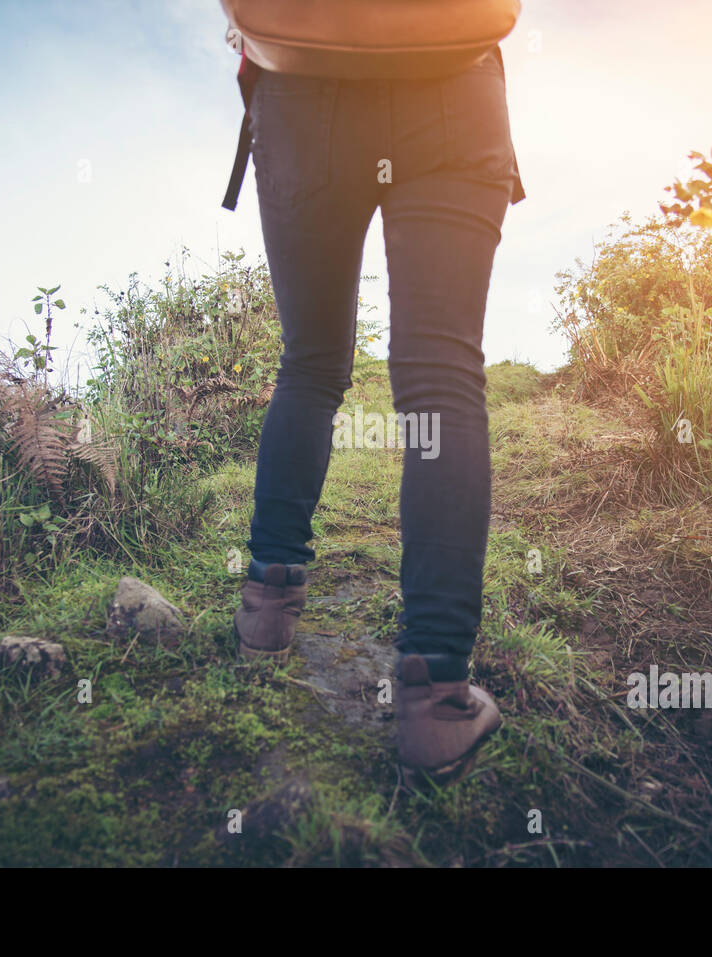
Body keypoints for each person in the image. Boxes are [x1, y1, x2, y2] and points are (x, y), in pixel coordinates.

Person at [228, 40, 525, 788]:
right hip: (451, 81)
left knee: (311, 361)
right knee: (442, 377)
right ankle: (435, 699)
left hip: (301, 91)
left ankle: (267, 602)